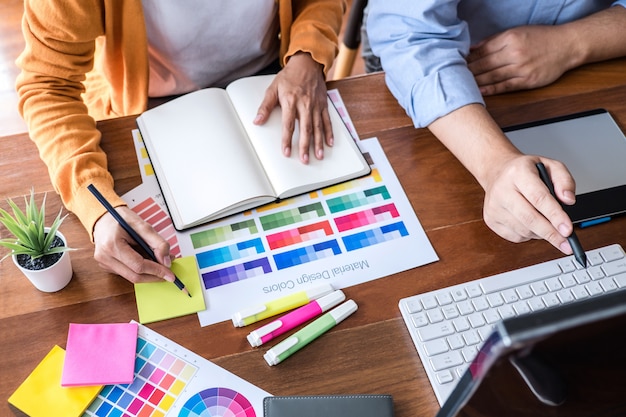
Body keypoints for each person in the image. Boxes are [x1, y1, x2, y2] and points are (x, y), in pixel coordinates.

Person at [16, 0, 344, 285]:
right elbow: (48, 85)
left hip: (270, 81)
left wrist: (307, 53)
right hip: (144, 104)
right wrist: (98, 210)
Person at [366, 1, 626, 255]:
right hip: (455, 89)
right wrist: (494, 163)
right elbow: (409, 34)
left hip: (599, 66)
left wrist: (572, 42)